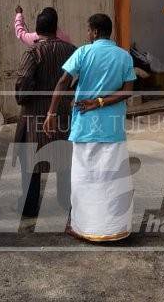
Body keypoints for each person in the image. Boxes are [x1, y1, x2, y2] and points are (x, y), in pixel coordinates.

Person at [44, 13, 136, 242]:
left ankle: (84, 227)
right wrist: (101, 101)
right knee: (112, 180)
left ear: (94, 32)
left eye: (88, 30)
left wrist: (51, 112)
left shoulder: (84, 52)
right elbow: (127, 91)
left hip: (86, 125)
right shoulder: (124, 56)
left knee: (85, 180)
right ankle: (115, 229)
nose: (87, 34)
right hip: (113, 127)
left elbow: (64, 81)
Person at [15, 8, 76, 218]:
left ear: (38, 29)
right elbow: (77, 79)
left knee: (30, 162)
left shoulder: (33, 52)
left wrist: (23, 99)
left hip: (34, 116)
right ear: (55, 27)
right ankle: (66, 202)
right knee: (65, 160)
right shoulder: (72, 50)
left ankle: (30, 207)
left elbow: (23, 82)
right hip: (63, 114)